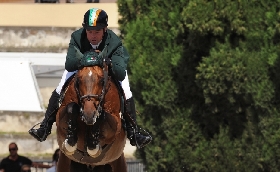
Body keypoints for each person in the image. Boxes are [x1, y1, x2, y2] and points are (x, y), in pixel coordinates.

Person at [29, 8, 152, 148]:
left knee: (126, 90)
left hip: (109, 69)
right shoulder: (77, 37)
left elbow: (120, 72)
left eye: (97, 31)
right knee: (59, 87)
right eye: (89, 31)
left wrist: (109, 62)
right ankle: (45, 126)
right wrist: (90, 59)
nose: (93, 35)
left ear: (105, 29)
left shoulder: (114, 41)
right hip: (82, 69)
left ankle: (133, 132)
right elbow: (69, 64)